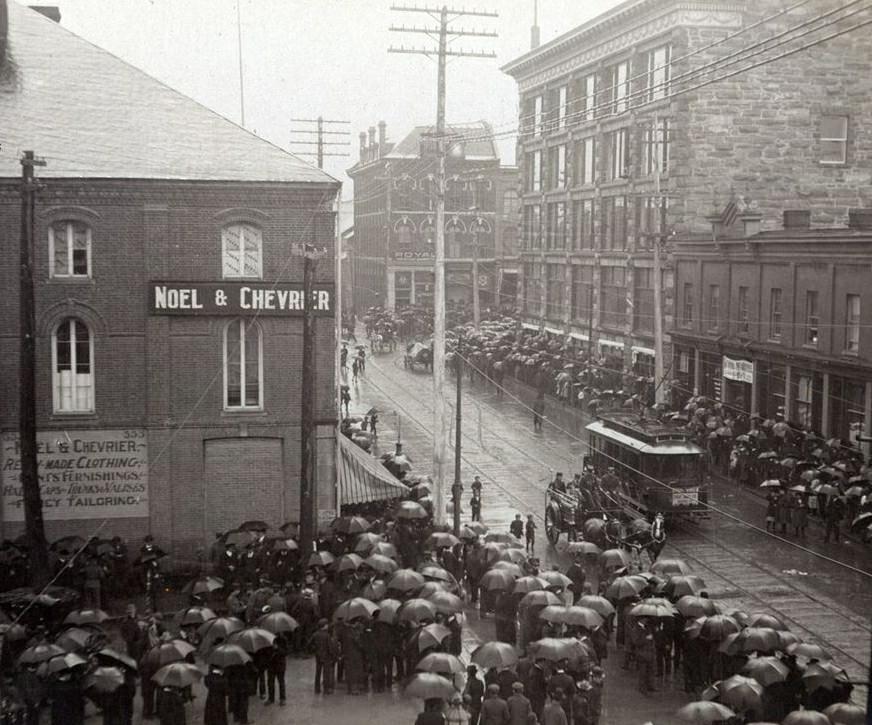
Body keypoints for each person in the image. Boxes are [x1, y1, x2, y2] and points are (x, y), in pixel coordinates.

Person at [311, 619, 338, 694]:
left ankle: (317, 689)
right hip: (326, 657)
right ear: (324, 626)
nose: (328, 626)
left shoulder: (315, 634)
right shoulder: (327, 635)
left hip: (318, 656)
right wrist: (333, 656)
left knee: (318, 672)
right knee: (326, 673)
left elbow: (309, 645)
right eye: (327, 624)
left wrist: (315, 650)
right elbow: (330, 647)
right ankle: (326, 689)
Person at [265, 634, 287, 705]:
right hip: (271, 665)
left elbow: (286, 652)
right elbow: (265, 652)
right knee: (270, 682)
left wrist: (277, 648)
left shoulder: (283, 639)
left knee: (281, 682)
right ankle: (271, 698)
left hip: (280, 665)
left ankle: (282, 698)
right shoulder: (267, 639)